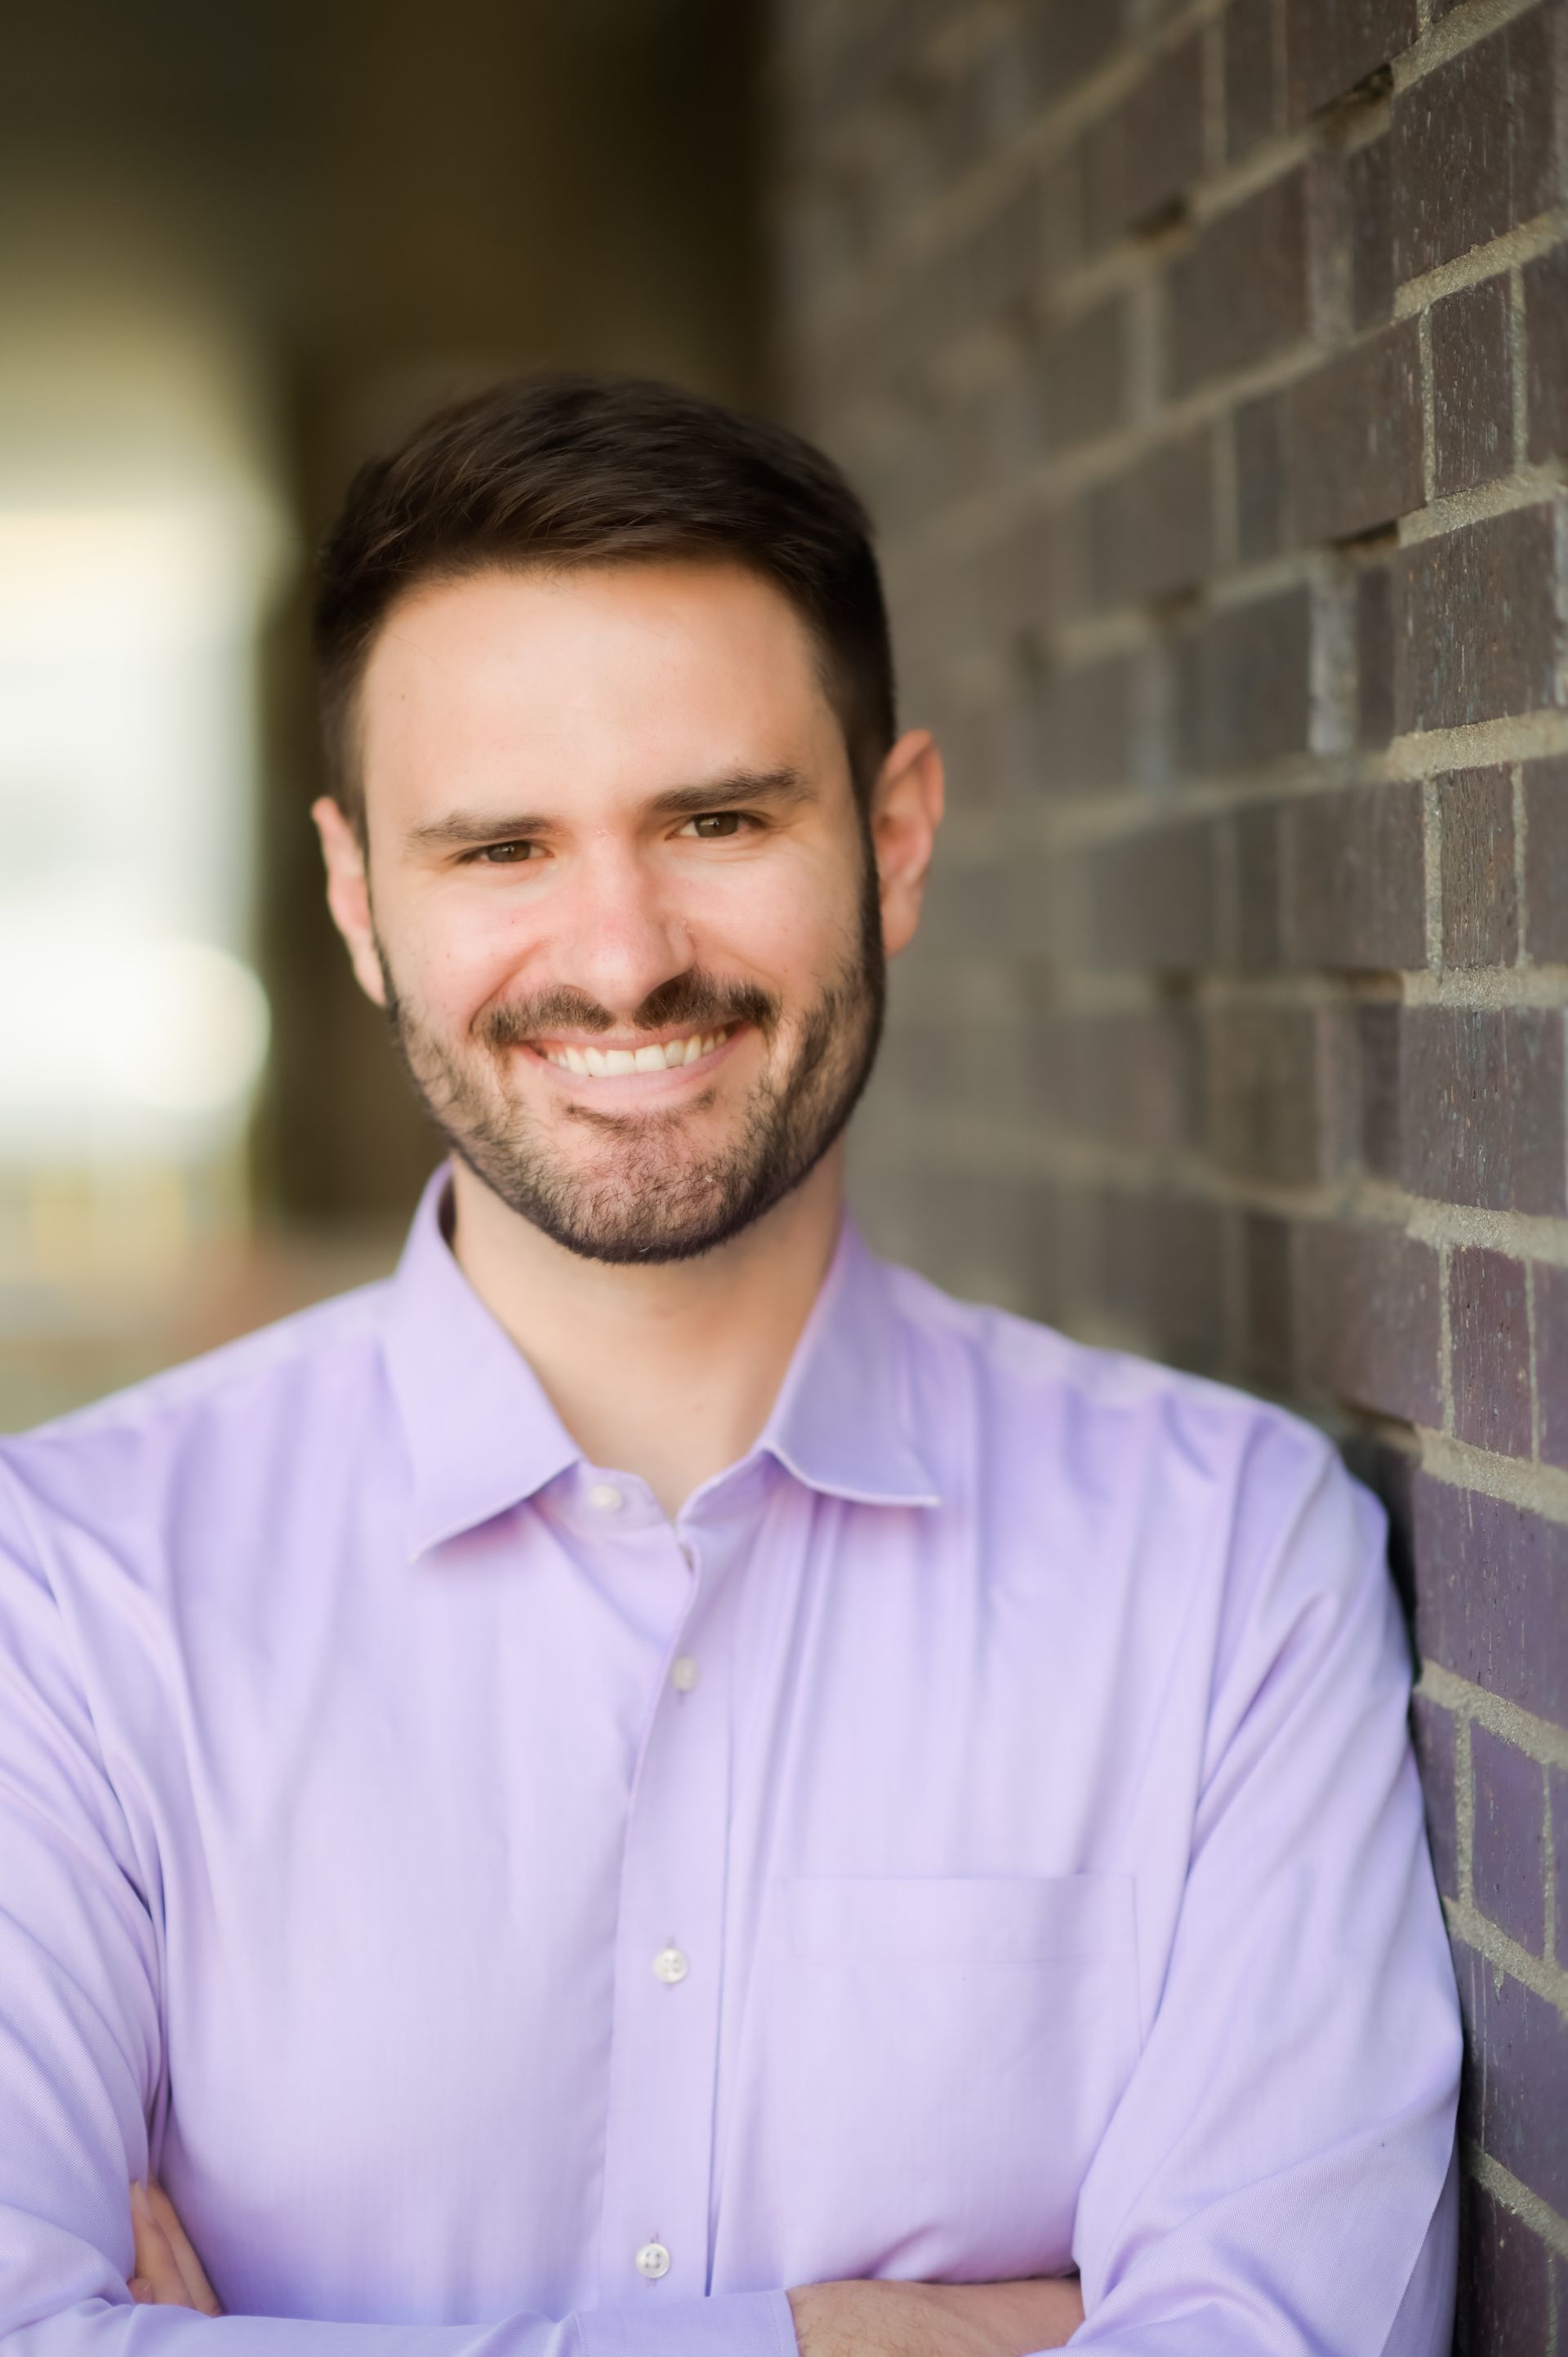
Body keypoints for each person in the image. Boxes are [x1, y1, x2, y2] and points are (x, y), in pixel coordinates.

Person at [0, 375, 1460, 2357]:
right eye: (500, 849)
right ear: (359, 903)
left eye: (713, 818)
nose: (620, 955)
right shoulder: (67, 1597)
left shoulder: (1226, 1567)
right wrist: (878, 2337)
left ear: (896, 835)